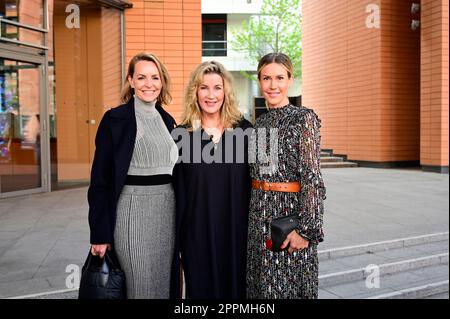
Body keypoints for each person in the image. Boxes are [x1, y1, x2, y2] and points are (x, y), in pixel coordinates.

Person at [88, 52, 178, 299]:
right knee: (140, 287)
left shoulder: (168, 120)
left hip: (166, 212)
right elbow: (100, 181)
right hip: (132, 211)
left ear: (162, 82)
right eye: (141, 77)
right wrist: (100, 234)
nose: (149, 84)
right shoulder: (115, 119)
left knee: (163, 286)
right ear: (131, 80)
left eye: (155, 77)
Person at [246, 52, 326, 299]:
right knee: (260, 291)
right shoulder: (258, 125)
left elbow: (312, 177)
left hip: (289, 220)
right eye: (266, 78)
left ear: (290, 79)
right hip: (259, 219)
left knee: (287, 290)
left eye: (279, 78)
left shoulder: (304, 119)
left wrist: (306, 230)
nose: (273, 85)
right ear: (259, 81)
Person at [171, 61, 252, 299]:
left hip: (238, 233)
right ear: (195, 92)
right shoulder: (181, 135)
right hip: (196, 235)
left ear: (226, 92)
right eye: (203, 87)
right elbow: (174, 190)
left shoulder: (246, 131)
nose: (210, 95)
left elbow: (262, 185)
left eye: (217, 88)